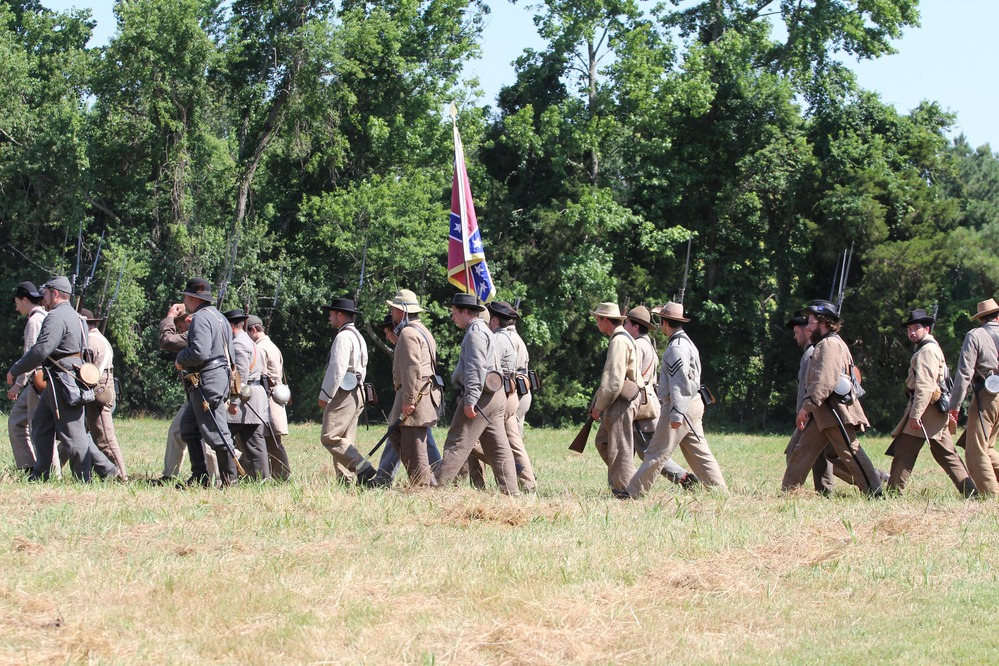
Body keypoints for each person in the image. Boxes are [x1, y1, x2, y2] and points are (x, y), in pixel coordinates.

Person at [6, 276, 117, 481]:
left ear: (55, 294)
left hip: (62, 380)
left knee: (73, 435)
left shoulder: (56, 316)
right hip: (61, 379)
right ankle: (40, 473)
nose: (43, 297)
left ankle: (87, 477)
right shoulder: (76, 316)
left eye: (46, 293)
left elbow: (41, 349)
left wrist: (15, 369)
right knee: (40, 425)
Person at [782, 300, 882, 497]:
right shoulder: (825, 344)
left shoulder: (829, 344)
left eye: (811, 322)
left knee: (850, 452)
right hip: (823, 411)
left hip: (834, 411)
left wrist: (806, 407)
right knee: (800, 452)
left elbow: (824, 380)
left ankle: (875, 492)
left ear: (823, 322)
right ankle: (789, 494)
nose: (807, 326)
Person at [628, 302, 727, 498]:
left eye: (660, 320)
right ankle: (720, 492)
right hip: (692, 403)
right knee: (699, 452)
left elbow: (679, 383)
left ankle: (634, 492)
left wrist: (677, 413)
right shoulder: (686, 342)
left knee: (656, 452)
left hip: (680, 405)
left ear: (665, 323)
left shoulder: (676, 348)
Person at [887, 308, 976, 497]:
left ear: (926, 329)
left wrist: (915, 414)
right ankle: (971, 492)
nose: (912, 333)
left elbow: (925, 386)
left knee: (904, 452)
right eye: (909, 329)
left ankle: (893, 493)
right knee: (946, 455)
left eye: (916, 328)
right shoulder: (927, 348)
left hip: (926, 410)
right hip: (932, 409)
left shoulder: (927, 350)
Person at [436, 293, 519, 494]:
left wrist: (470, 400)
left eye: (454, 313)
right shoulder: (485, 330)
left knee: (457, 441)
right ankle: (512, 492)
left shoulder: (474, 334)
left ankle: (438, 488)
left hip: (481, 396)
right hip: (494, 395)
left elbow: (476, 369)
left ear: (465, 312)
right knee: (498, 448)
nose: (452, 317)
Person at [624, 305, 698, 489]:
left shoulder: (639, 346)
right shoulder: (649, 344)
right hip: (649, 400)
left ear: (635, 326)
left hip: (641, 403)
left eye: (626, 323)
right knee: (647, 449)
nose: (623, 326)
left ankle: (633, 488)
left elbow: (679, 383)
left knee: (650, 450)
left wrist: (676, 413)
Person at [174, 278, 239, 487]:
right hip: (215, 378)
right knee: (188, 426)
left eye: (186, 296)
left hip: (208, 380)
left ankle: (230, 481)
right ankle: (200, 477)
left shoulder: (200, 318)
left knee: (217, 432)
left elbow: (199, 353)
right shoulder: (219, 317)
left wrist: (180, 358)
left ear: (193, 298)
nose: (184, 300)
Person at [373, 310, 442, 486]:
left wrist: (409, 400)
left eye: (393, 310)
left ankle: (424, 484)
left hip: (414, 396)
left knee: (414, 443)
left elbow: (412, 369)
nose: (387, 336)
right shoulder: (421, 330)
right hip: (420, 394)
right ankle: (430, 480)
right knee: (405, 437)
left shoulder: (408, 333)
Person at [156, 303, 219, 483]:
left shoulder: (195, 332)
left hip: (204, 392)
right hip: (195, 393)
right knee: (178, 431)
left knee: (208, 438)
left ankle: (220, 476)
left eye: (180, 325)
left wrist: (169, 317)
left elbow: (168, 340)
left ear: (189, 320)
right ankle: (170, 475)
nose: (180, 330)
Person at [318, 297, 375, 485]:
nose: (329, 318)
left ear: (340, 315)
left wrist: (325, 395)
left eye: (331, 314)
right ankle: (346, 481)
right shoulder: (358, 336)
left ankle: (362, 467)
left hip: (344, 392)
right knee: (345, 439)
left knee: (330, 437)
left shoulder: (343, 337)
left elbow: (337, 369)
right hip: (357, 390)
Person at [588, 302, 641, 498]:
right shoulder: (623, 338)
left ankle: (624, 491)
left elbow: (614, 379)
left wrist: (599, 406)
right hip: (620, 399)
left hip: (621, 401)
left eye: (598, 319)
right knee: (603, 442)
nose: (597, 324)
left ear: (605, 320)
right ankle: (628, 481)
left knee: (619, 448)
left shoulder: (618, 341)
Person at [948, 298, 999, 495]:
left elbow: (964, 373)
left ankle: (990, 495)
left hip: (987, 396)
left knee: (975, 451)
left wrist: (955, 406)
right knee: (988, 447)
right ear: (997, 316)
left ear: (980, 319)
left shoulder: (975, 335)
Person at [487, 300, 537, 491]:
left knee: (508, 441)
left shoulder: (502, 338)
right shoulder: (515, 337)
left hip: (512, 390)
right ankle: (524, 480)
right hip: (520, 390)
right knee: (513, 439)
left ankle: (518, 474)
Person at [81, 308, 127, 480]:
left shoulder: (91, 341)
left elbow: (88, 371)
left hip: (98, 390)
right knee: (78, 434)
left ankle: (121, 476)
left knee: (105, 440)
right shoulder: (99, 338)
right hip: (101, 386)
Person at [224, 310, 271, 480]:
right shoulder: (248, 340)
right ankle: (263, 478)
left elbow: (240, 376)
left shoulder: (238, 343)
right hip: (253, 397)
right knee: (255, 443)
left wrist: (233, 402)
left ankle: (229, 476)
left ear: (230, 326)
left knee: (221, 436)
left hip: (244, 399)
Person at [7, 281, 47, 472]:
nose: (16, 308)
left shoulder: (34, 321)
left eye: (17, 303)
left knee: (38, 428)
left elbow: (31, 356)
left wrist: (18, 383)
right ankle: (29, 467)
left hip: (36, 380)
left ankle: (44, 471)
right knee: (16, 422)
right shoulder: (43, 317)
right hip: (37, 380)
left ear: (25, 299)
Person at [246, 315, 291, 480]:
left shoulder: (260, 348)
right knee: (271, 441)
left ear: (253, 329)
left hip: (267, 399)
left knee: (271, 442)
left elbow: (261, 377)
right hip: (273, 397)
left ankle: (282, 475)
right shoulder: (270, 345)